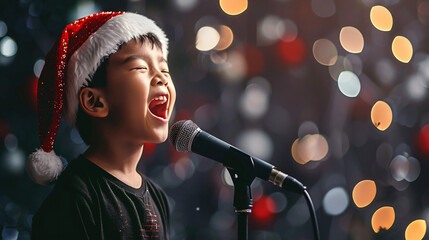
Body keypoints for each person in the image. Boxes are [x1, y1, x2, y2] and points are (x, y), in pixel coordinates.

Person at [26, 11, 176, 239]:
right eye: (140, 68)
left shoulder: (157, 197)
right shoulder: (75, 197)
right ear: (94, 101)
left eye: (164, 69)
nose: (162, 78)